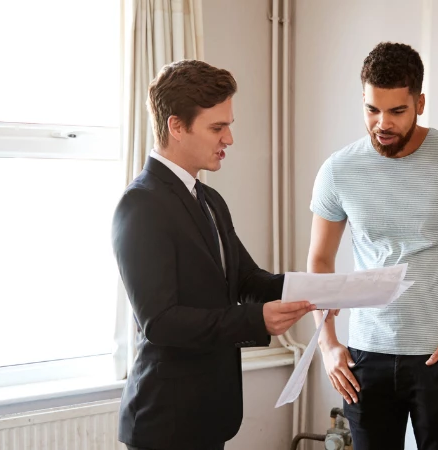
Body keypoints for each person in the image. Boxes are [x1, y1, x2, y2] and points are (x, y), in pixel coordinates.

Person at [307, 42, 438, 450]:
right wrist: (327, 343)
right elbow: (320, 259)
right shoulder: (338, 170)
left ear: (420, 103)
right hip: (365, 359)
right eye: (372, 109)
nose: (382, 123)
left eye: (397, 111)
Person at [112, 60, 316, 450]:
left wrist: (316, 290)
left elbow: (247, 280)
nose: (230, 138)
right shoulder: (140, 205)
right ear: (176, 126)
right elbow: (160, 322)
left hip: (210, 416)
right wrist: (255, 319)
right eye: (217, 127)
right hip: (166, 422)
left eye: (228, 125)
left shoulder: (210, 199)